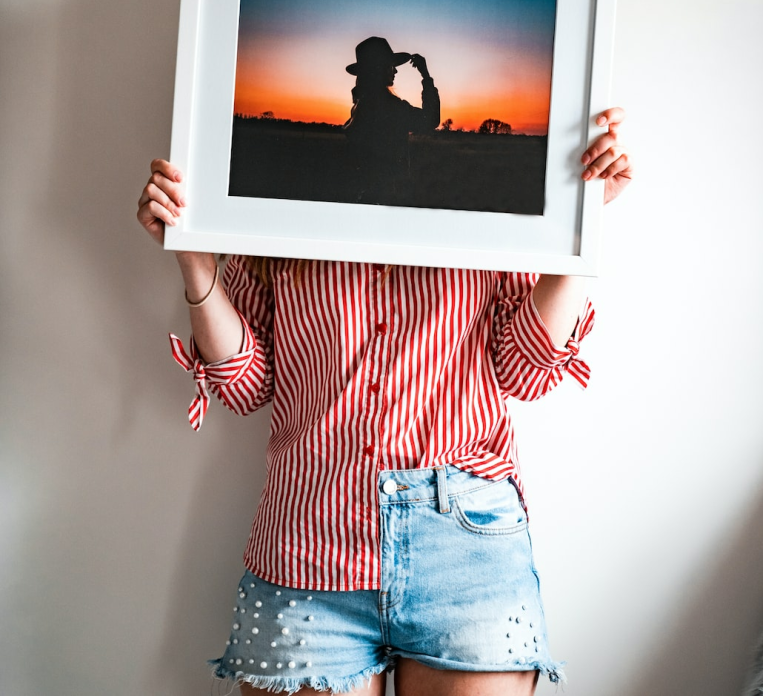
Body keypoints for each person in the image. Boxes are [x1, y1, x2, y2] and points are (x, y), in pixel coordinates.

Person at [137, 108, 632, 696]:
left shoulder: (488, 200)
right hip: (307, 539)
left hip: (465, 545)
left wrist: (579, 227)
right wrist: (194, 259)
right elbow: (245, 386)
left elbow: (524, 371)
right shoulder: (276, 196)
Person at [343, 36, 440, 205]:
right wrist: (426, 76)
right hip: (388, 197)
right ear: (379, 69)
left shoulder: (360, 106)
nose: (395, 71)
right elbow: (430, 120)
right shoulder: (391, 108)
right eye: (391, 66)